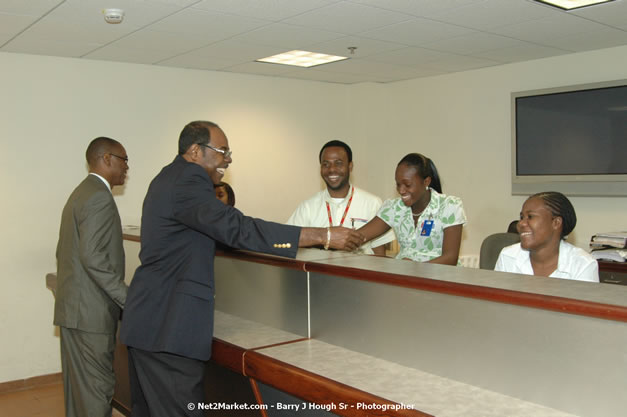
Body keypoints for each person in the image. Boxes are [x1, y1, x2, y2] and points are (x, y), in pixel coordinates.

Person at [119, 121, 363, 417]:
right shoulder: (188, 180)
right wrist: (322, 235)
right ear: (195, 151)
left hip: (151, 323)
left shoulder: (169, 177)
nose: (228, 159)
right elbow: (237, 228)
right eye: (222, 151)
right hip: (167, 329)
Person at [54, 137, 129, 417]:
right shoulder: (99, 196)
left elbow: (64, 250)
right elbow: (93, 257)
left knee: (79, 396)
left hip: (74, 311)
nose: (126, 169)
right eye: (124, 160)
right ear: (106, 159)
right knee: (97, 392)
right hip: (90, 315)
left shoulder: (81, 192)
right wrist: (127, 298)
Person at [287, 140, 395, 255]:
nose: (332, 169)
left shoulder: (372, 203)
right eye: (326, 164)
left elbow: (380, 255)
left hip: (359, 272)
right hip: (319, 272)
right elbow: (288, 240)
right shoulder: (308, 207)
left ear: (350, 166)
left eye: (338, 163)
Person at [356, 153, 466, 265]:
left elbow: (450, 258)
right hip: (405, 275)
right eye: (398, 184)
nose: (401, 190)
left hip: (442, 278)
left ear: (426, 182)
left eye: (407, 185)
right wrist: (339, 239)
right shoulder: (394, 207)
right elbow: (360, 236)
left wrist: (414, 269)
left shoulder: (449, 205)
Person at [495, 191, 599, 282]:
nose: (521, 223)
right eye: (522, 217)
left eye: (530, 217)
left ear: (556, 223)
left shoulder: (583, 265)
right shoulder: (508, 257)